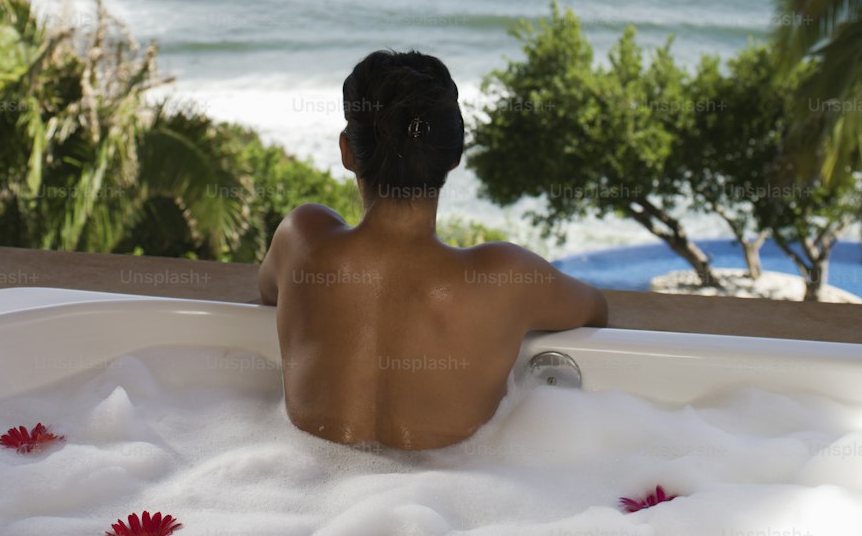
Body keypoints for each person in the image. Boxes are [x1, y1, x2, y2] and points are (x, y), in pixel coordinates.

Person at [258, 48, 608, 450]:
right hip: (442, 499)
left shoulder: (300, 239)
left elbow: (270, 292)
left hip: (300, 489)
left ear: (347, 152)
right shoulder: (506, 278)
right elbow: (595, 309)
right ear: (455, 155)